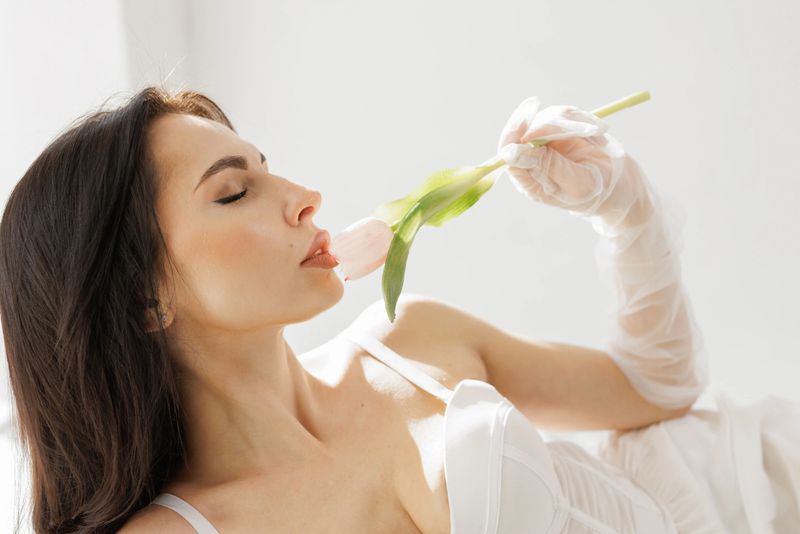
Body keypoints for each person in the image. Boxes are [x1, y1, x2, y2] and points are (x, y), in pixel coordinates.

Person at [0, 86, 795, 534]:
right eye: (234, 191)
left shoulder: (410, 340)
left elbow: (657, 389)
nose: (305, 199)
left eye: (269, 170)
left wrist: (626, 212)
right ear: (144, 298)